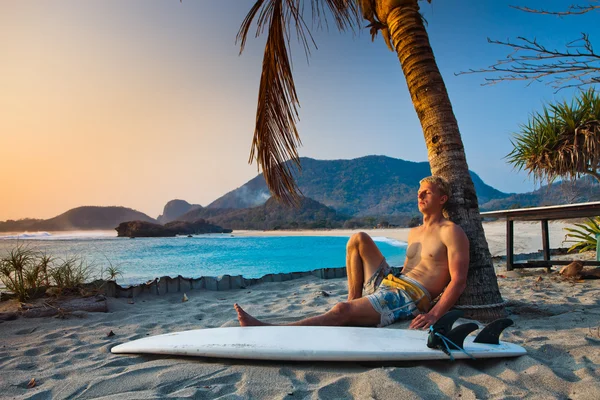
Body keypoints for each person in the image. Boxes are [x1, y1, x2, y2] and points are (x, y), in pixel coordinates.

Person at [234, 176, 470, 330]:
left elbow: (458, 281)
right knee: (358, 239)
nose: (419, 196)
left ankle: (268, 328)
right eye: (419, 192)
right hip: (392, 282)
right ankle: (353, 300)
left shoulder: (451, 231)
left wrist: (435, 314)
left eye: (426, 193)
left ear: (442, 199)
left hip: (411, 296)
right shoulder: (415, 232)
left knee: (340, 311)